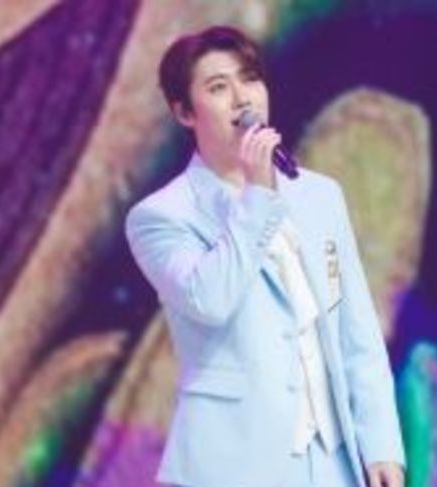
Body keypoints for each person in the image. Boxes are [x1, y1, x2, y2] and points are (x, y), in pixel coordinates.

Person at [125, 25, 405, 487]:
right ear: (184, 112)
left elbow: (356, 331)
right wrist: (257, 196)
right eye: (219, 87)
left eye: (250, 79)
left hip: (330, 465)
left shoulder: (320, 196)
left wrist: (381, 446)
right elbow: (210, 300)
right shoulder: (160, 217)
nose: (243, 99)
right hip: (230, 466)